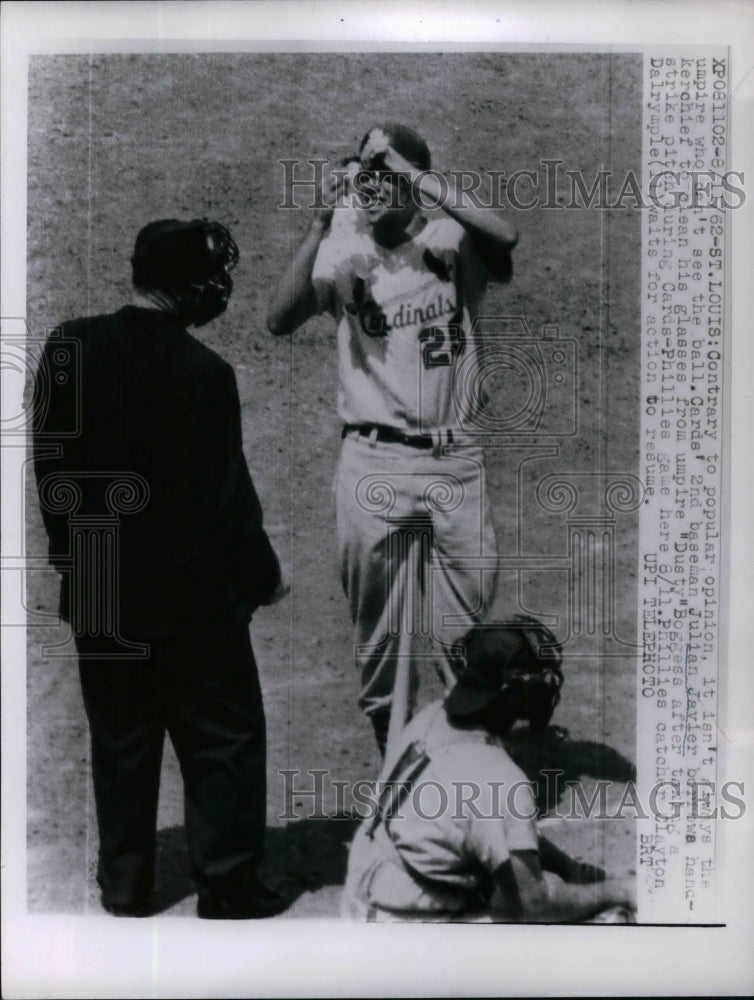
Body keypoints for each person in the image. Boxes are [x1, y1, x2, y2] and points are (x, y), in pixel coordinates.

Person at [33, 218, 288, 919]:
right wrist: (263, 575)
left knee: (121, 739)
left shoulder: (70, 346)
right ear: (189, 286)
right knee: (223, 736)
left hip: (99, 585)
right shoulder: (206, 375)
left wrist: (76, 561)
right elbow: (226, 495)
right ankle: (229, 886)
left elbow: (49, 464)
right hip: (190, 600)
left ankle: (125, 887)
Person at [267, 123, 518, 755]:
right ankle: (399, 770)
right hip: (371, 459)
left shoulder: (452, 239)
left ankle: (463, 769)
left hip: (452, 459)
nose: (374, 189)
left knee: (464, 636)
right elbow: (278, 319)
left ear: (412, 181)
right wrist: (320, 224)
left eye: (388, 178)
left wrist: (411, 171)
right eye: (366, 178)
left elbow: (506, 234)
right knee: (379, 643)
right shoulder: (342, 250)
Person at [341, 616, 637, 923]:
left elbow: (497, 826)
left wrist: (568, 868)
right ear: (516, 691)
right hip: (399, 932)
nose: (546, 687)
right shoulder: (500, 778)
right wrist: (618, 891)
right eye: (539, 679)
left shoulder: (430, 720)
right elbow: (536, 905)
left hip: (366, 897)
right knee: (606, 920)